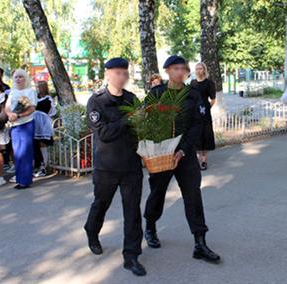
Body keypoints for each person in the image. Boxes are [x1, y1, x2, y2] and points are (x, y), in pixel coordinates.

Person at [143, 55, 221, 264]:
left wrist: (184, 150)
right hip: (162, 155)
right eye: (176, 68)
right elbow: (145, 122)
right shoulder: (156, 93)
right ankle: (150, 227)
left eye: (183, 69)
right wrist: (152, 148)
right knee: (157, 193)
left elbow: (197, 124)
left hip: (184, 155)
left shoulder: (193, 95)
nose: (181, 72)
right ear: (167, 71)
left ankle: (200, 243)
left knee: (193, 196)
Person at [84, 58, 146, 276]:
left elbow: (141, 128)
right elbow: (104, 133)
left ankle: (131, 256)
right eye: (118, 72)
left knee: (132, 211)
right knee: (101, 203)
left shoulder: (132, 99)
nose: (122, 76)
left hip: (131, 165)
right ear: (108, 74)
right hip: (106, 167)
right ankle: (92, 231)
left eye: (124, 73)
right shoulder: (96, 102)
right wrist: (128, 119)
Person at [5, 69, 36, 190]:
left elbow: (32, 108)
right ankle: (19, 178)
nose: (18, 79)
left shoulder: (30, 92)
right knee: (17, 152)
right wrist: (10, 114)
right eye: (16, 77)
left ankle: (26, 180)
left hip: (26, 124)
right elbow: (7, 107)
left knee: (25, 152)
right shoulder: (12, 92)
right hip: (14, 125)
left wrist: (19, 115)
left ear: (25, 78)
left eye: (20, 77)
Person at [191, 62, 216, 170]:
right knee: (196, 135)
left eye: (200, 68)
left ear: (204, 70)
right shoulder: (192, 83)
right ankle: (198, 157)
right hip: (194, 113)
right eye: (196, 69)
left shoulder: (209, 83)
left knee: (205, 135)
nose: (198, 70)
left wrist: (206, 108)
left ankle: (204, 161)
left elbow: (213, 99)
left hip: (205, 113)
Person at [33, 81, 55, 177]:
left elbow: (52, 112)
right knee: (35, 144)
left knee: (43, 143)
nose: (38, 88)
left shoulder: (48, 99)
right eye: (37, 86)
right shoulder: (34, 98)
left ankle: (45, 166)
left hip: (43, 123)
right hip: (34, 122)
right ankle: (37, 165)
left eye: (40, 86)